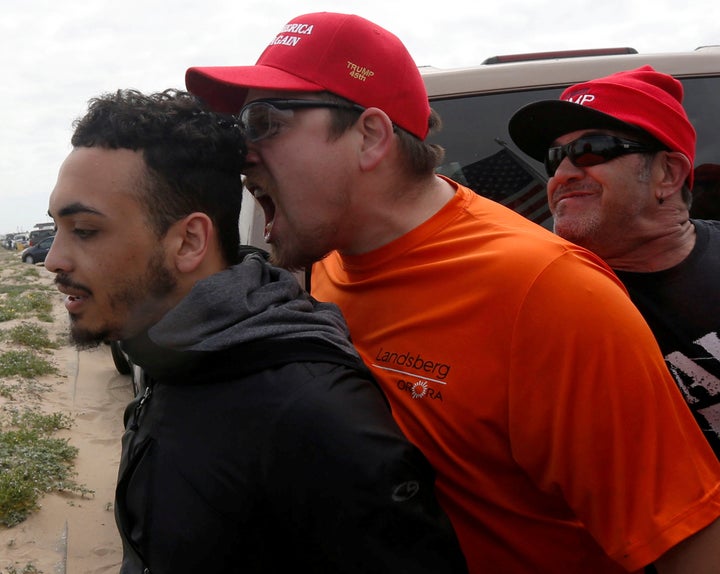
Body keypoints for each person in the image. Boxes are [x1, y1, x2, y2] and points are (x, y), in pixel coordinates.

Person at [183, 13, 720, 573]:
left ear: (369, 135)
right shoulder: (328, 262)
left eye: (262, 121)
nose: (241, 152)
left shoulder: (550, 294)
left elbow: (690, 545)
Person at [44, 88, 468, 574]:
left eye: (85, 230)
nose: (55, 259)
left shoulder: (313, 415)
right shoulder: (176, 357)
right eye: (57, 226)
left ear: (189, 241)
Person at [508, 66, 720, 457]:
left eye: (593, 150)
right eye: (555, 158)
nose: (563, 174)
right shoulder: (534, 302)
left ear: (668, 174)